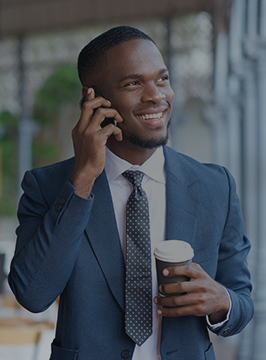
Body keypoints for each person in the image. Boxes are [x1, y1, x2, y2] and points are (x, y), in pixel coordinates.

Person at [8, 26, 253, 360]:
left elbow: (241, 300)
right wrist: (82, 180)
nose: (156, 95)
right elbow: (33, 295)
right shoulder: (48, 187)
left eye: (162, 79)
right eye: (133, 83)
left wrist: (221, 301)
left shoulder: (215, 186)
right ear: (93, 99)